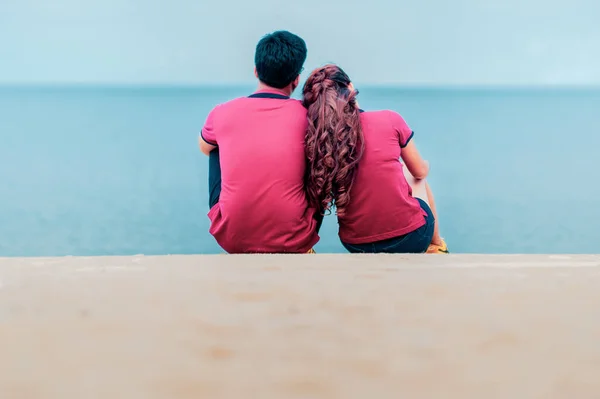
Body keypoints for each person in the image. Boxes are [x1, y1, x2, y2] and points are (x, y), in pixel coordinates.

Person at [301, 64, 449, 254]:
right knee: (415, 177)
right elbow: (420, 171)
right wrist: (424, 166)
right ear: (351, 88)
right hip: (412, 237)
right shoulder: (389, 119)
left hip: (356, 243)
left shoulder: (321, 139)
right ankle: (436, 246)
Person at [198, 31, 321, 253]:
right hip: (294, 237)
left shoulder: (222, 112)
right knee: (314, 151)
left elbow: (204, 147)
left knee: (215, 144)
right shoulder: (309, 116)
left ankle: (231, 218)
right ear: (296, 78)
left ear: (256, 71)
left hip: (232, 237)